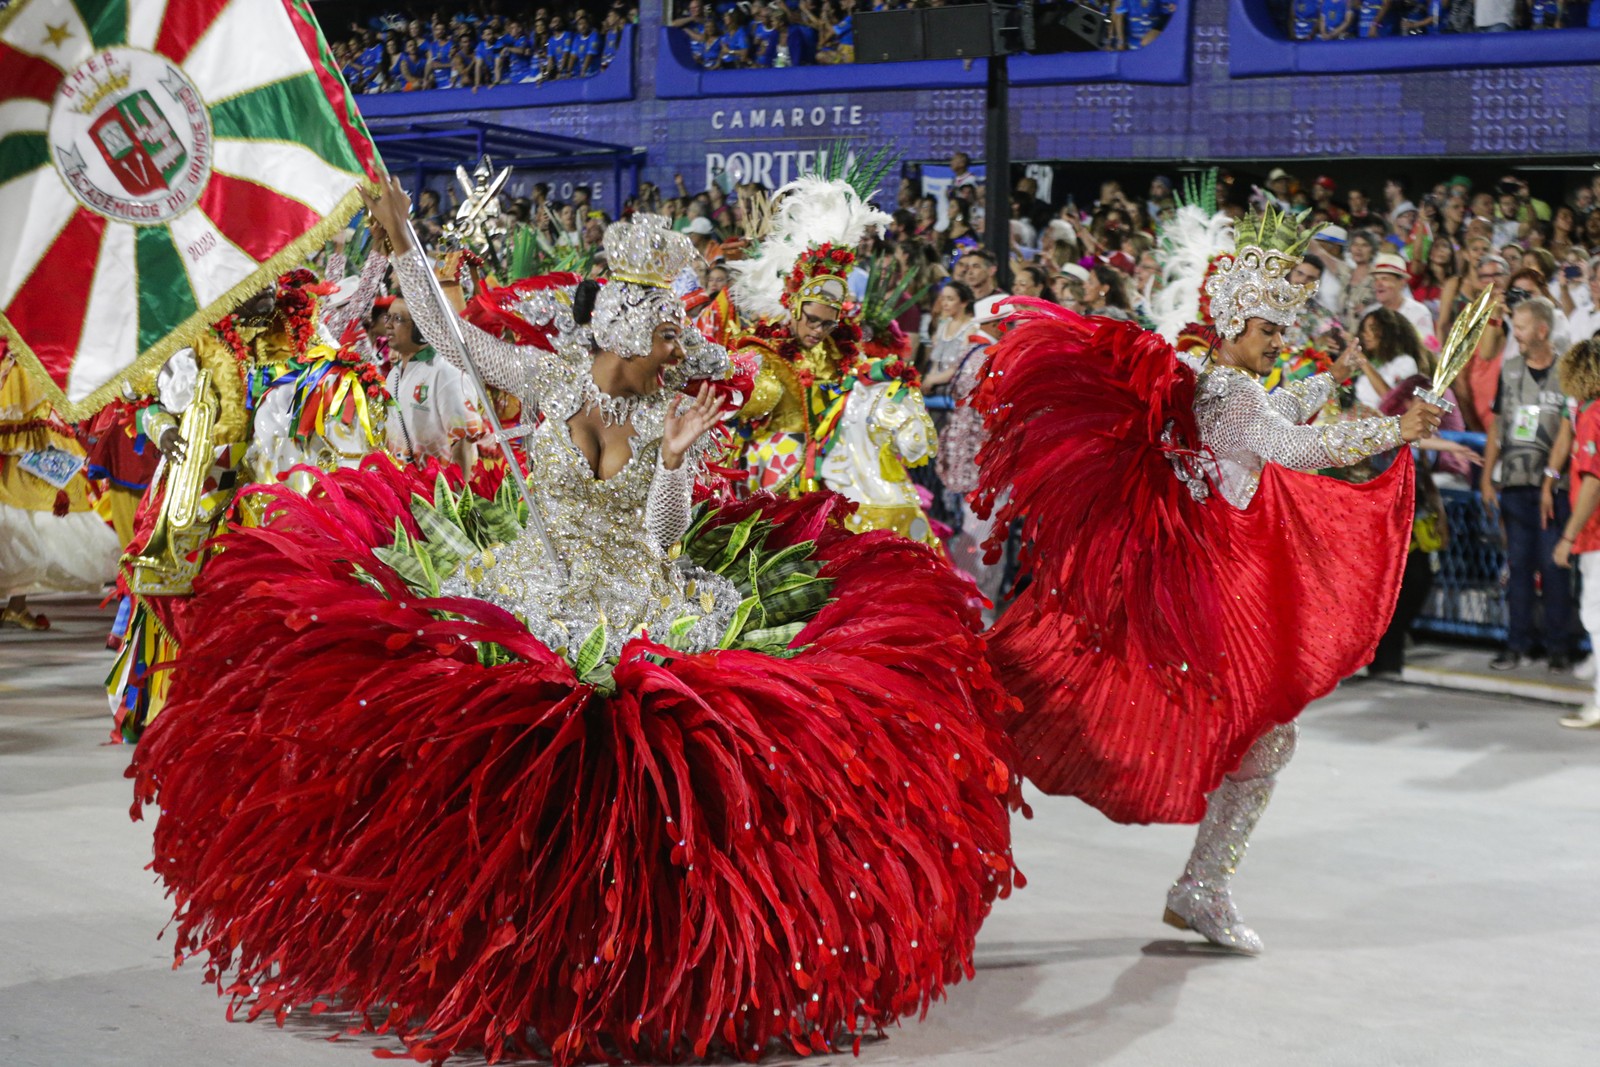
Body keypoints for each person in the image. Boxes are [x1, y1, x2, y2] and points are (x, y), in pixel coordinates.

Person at [128, 181, 1021, 1065]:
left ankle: (624, 969)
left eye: (679, 328)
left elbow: (666, 539)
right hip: (531, 590)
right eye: (666, 325)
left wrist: (674, 462)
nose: (681, 340)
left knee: (636, 778)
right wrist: (400, 239)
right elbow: (449, 334)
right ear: (623, 324)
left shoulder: (674, 412)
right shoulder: (548, 379)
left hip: (641, 600)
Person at [973, 208, 1443, 954]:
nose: (1278, 342)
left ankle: (1202, 886)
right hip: (1205, 597)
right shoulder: (1228, 393)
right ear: (1229, 327)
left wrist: (1334, 377)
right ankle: (1193, 884)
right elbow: (1289, 443)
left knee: (1258, 736)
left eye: (1281, 332)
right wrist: (1395, 430)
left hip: (1209, 584)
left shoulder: (1218, 385)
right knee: (1136, 721)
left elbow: (1276, 414)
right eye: (1267, 332)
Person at [1481, 296, 1574, 672]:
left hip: (1555, 487)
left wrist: (1553, 479)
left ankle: (1559, 647)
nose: (1513, 334)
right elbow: (1497, 426)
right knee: (1517, 567)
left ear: (1541, 330)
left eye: (1519, 327)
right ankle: (1516, 643)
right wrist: (1488, 477)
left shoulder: (1566, 371)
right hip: (1515, 484)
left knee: (1554, 569)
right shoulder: (1511, 369)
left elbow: (1569, 429)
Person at [1551, 339, 1600, 727]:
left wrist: (1568, 537)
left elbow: (1593, 482)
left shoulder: (1593, 416)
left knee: (1597, 617)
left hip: (1597, 536)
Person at [1368, 251, 1439, 351]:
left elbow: (1428, 351)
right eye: (1376, 279)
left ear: (1401, 282)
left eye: (1385, 279)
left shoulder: (1418, 312)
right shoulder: (1371, 313)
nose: (1378, 284)